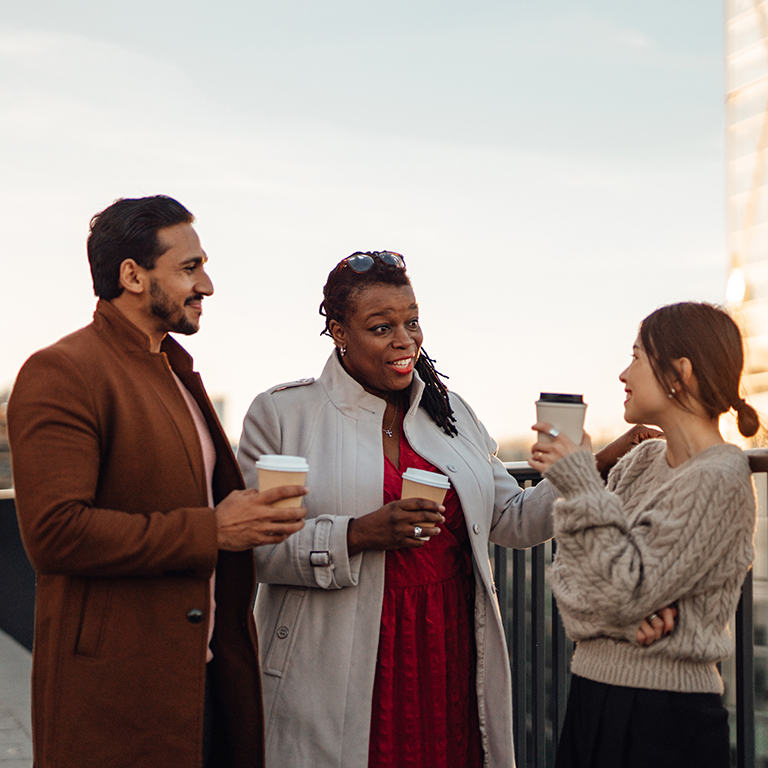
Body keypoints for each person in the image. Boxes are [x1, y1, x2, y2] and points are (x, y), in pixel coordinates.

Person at [236, 251, 654, 768]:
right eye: (381, 327)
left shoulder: (448, 411)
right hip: (337, 662)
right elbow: (254, 548)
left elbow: (514, 520)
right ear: (338, 331)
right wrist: (357, 534)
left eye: (412, 322)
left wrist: (596, 464)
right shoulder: (283, 414)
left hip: (447, 650)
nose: (405, 340)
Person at [7, 196, 307, 768]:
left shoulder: (174, 369)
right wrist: (213, 529)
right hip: (120, 699)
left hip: (211, 680)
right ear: (133, 276)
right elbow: (55, 534)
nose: (208, 286)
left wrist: (248, 517)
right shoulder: (62, 371)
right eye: (190, 268)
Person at [529, 301, 759, 768]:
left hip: (666, 717)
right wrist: (623, 618)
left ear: (681, 372)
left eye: (635, 357)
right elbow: (569, 583)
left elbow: (618, 589)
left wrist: (579, 481)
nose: (622, 374)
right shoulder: (637, 462)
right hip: (591, 696)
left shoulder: (721, 477)